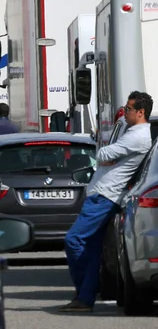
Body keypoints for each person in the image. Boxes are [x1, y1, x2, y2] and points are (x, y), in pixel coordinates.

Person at [59, 91, 153, 313]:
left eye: (129, 109)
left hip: (105, 196)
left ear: (141, 112)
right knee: (91, 249)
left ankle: (83, 288)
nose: (125, 112)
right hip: (103, 194)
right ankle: (84, 298)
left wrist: (109, 156)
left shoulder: (138, 135)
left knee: (74, 240)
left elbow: (102, 154)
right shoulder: (131, 132)